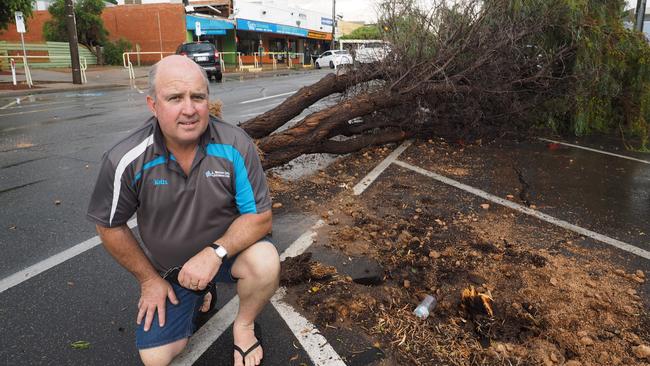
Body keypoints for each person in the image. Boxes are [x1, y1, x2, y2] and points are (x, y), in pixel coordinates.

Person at [87, 55, 279, 366]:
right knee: (155, 358)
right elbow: (109, 226)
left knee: (266, 261)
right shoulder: (126, 158)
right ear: (153, 105)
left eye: (198, 97)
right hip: (173, 270)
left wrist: (214, 254)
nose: (189, 109)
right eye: (175, 98)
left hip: (226, 254)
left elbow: (260, 216)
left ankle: (244, 326)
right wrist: (149, 280)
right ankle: (198, 294)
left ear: (208, 100)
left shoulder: (235, 145)